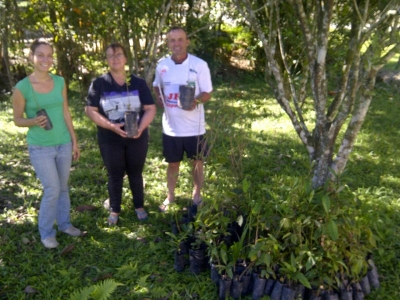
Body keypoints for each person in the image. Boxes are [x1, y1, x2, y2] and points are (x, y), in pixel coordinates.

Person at [12, 38, 81, 249]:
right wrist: (33, 121)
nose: (46, 59)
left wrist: (74, 141)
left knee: (63, 188)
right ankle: (46, 233)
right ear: (32, 57)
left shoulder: (59, 81)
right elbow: (17, 119)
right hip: (40, 146)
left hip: (63, 143)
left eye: (49, 55)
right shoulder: (22, 87)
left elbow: (66, 112)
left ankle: (65, 224)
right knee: (52, 188)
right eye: (40, 55)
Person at [86, 43, 156, 224]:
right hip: (110, 138)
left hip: (136, 136)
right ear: (107, 60)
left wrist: (141, 127)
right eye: (110, 55)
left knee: (135, 172)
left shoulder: (138, 83)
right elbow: (90, 110)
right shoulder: (99, 83)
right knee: (114, 174)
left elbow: (150, 108)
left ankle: (139, 206)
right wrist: (111, 126)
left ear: (125, 58)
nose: (115, 58)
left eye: (118, 55)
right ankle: (115, 210)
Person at [153, 27, 213, 213]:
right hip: (171, 127)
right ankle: (170, 196)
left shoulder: (200, 65)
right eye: (172, 40)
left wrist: (196, 101)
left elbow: (207, 92)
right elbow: (156, 86)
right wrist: (158, 97)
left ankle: (197, 195)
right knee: (173, 163)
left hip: (194, 127)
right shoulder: (162, 65)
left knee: (197, 162)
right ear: (168, 43)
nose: (176, 44)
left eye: (180, 39)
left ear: (187, 42)